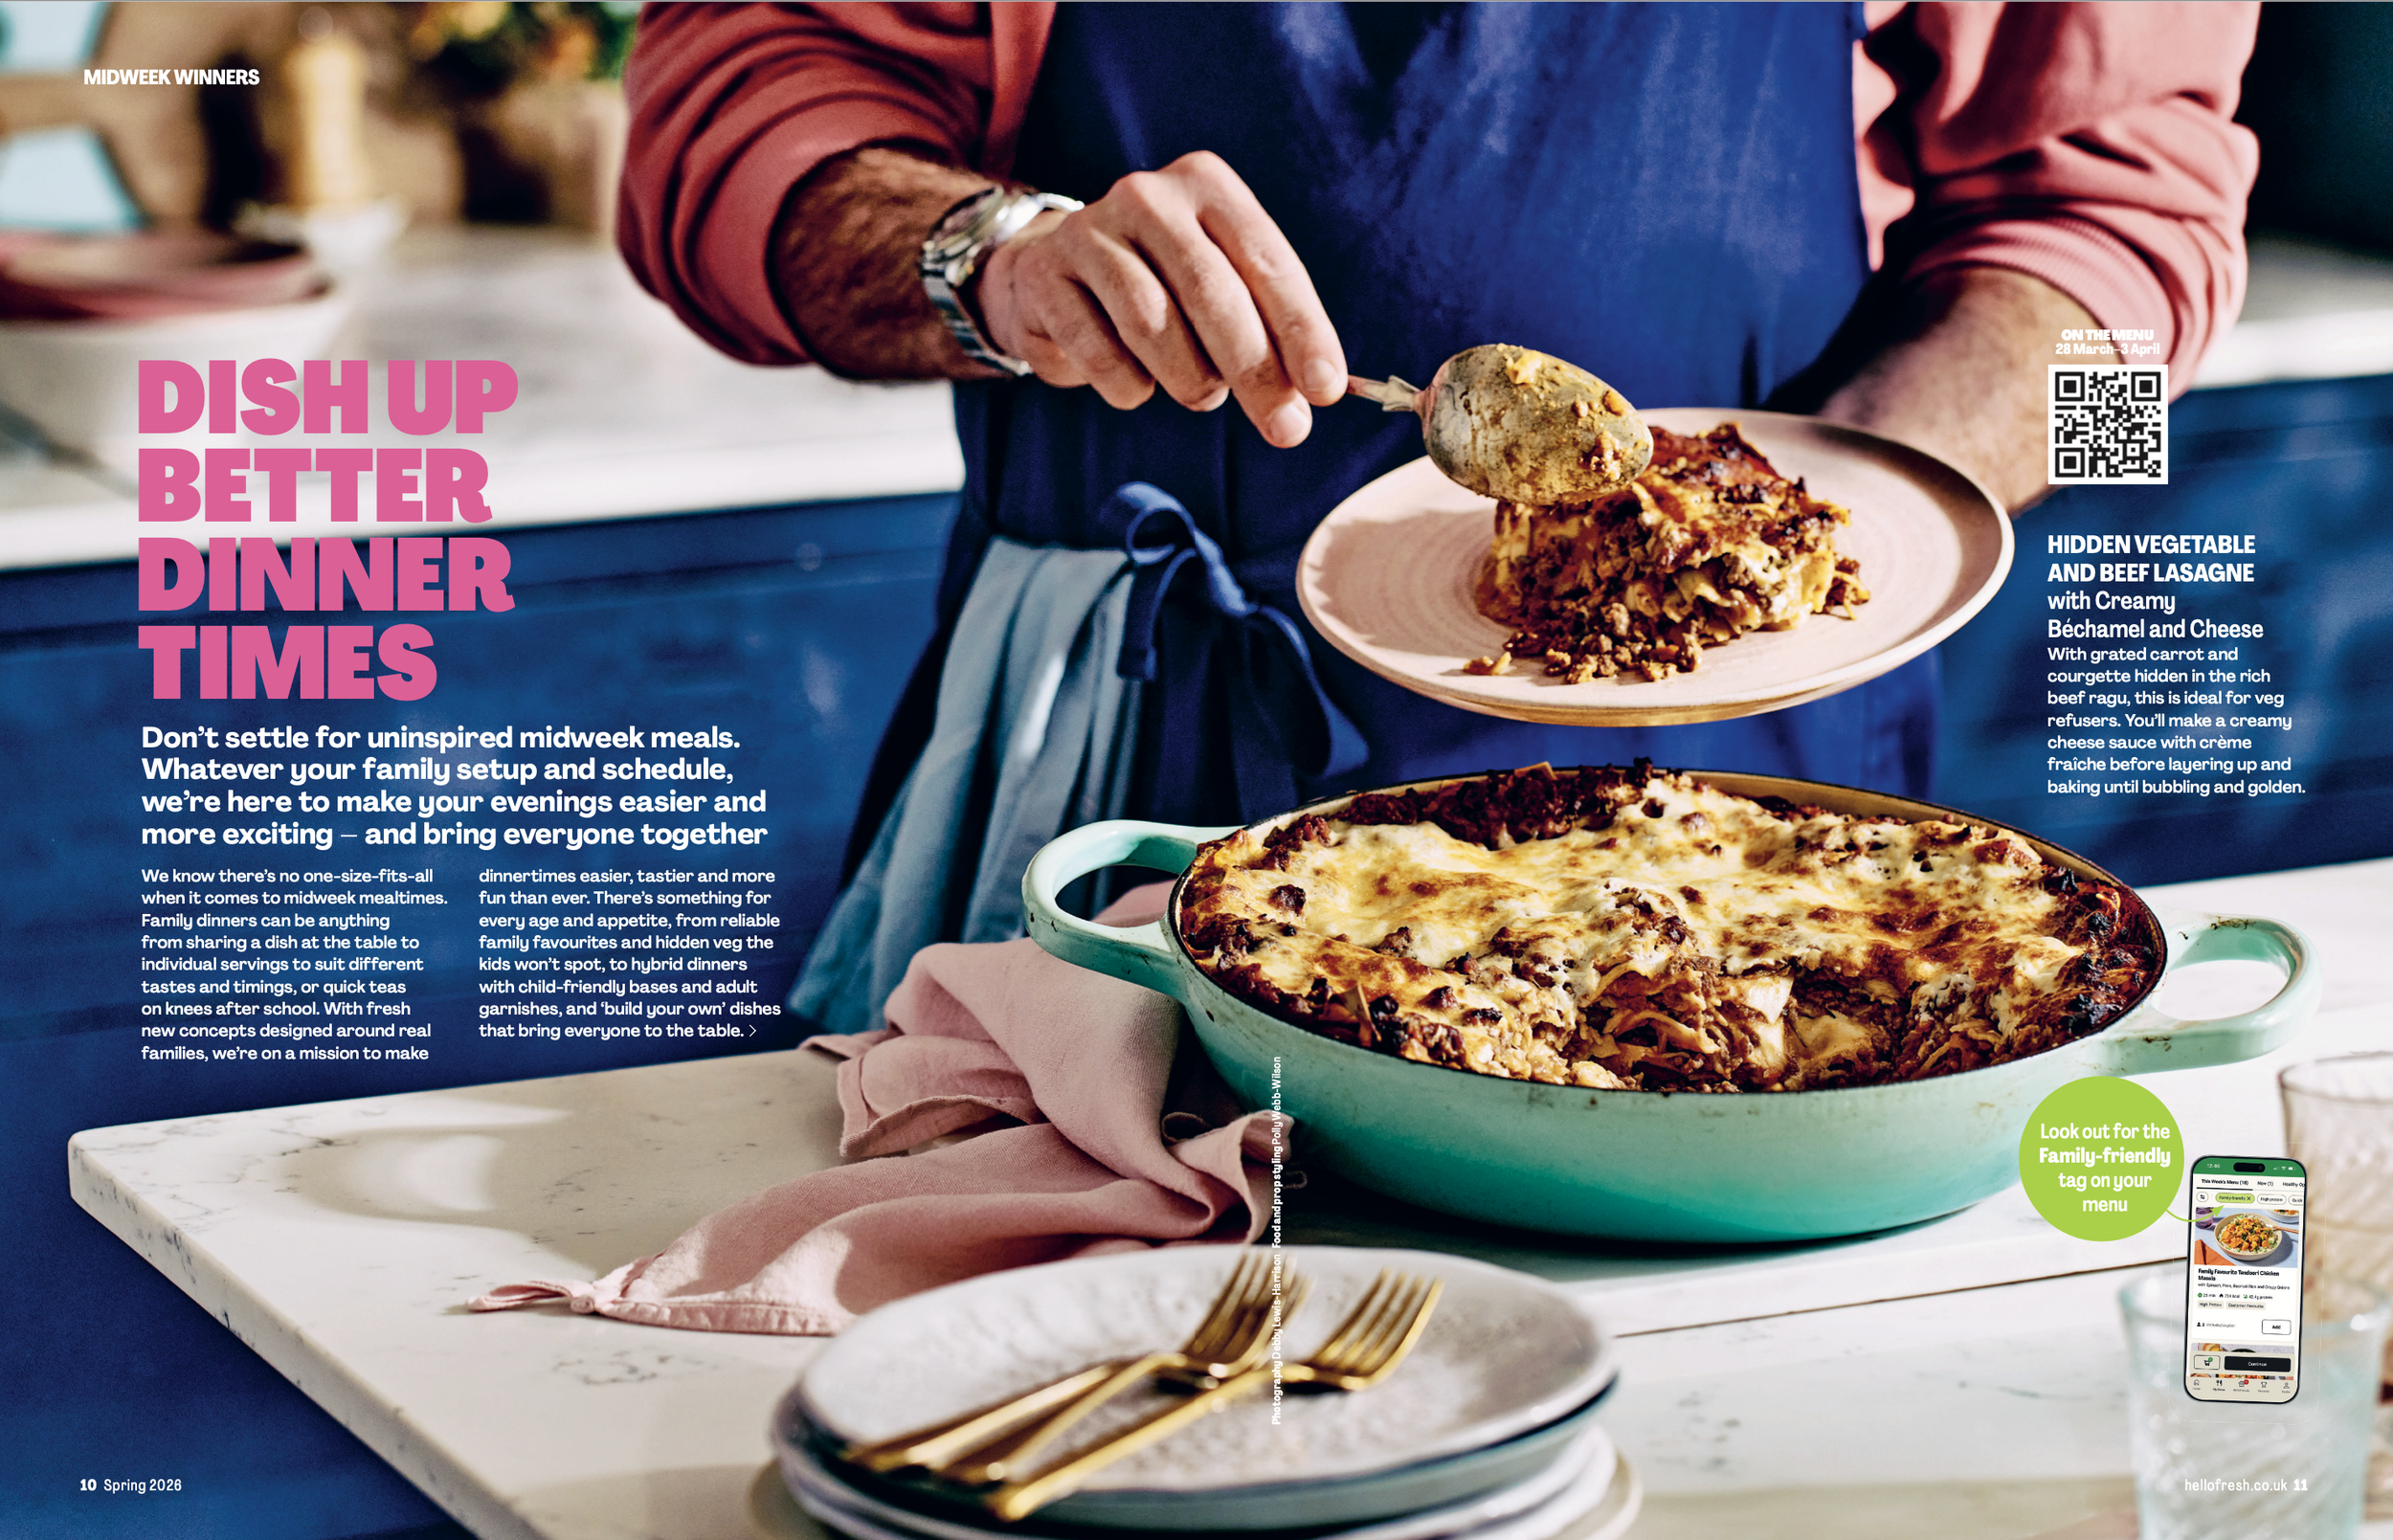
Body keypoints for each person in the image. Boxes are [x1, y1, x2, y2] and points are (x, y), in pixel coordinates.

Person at [617, 3, 2257, 1030]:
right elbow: (708, 155)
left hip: (1775, 786)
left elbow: (2150, 240)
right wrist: (990, 263)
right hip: (1138, 744)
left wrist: (1868, 512)